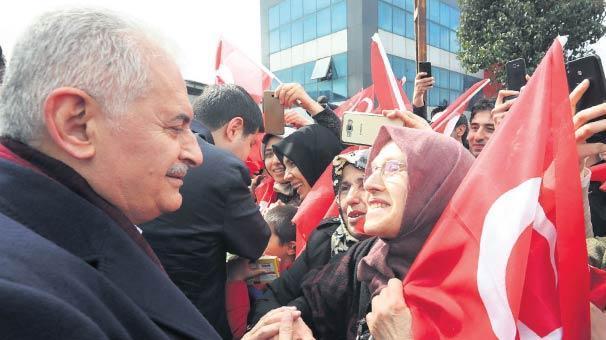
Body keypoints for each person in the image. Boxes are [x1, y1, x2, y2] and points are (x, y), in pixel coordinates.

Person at [298, 125, 474, 340]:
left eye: (393, 168)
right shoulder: (368, 257)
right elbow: (309, 303)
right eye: (373, 169)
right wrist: (288, 321)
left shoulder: (484, 290)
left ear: (438, 186)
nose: (370, 183)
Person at [142, 84, 271, 339]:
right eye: (252, 143)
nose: (250, 155)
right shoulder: (222, 169)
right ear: (234, 128)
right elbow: (255, 243)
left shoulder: (143, 153)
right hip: (193, 322)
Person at [251, 149, 372, 331]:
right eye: (344, 188)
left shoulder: (397, 256)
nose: (351, 199)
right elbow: (276, 295)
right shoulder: (326, 238)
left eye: (365, 184)